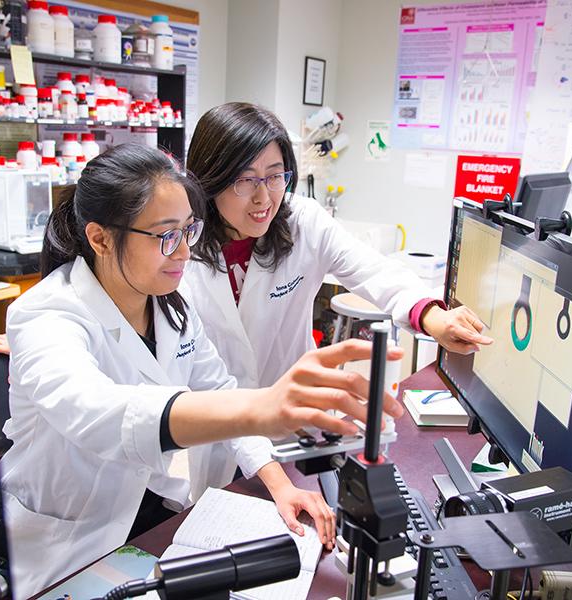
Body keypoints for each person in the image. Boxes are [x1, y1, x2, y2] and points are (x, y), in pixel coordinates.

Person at [0, 144, 403, 597]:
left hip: (150, 518)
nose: (186, 252)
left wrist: (278, 481)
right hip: (71, 543)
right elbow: (99, 415)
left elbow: (217, 387)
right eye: (166, 235)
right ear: (100, 238)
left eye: (190, 229)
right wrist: (262, 409)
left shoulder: (170, 307)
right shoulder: (45, 314)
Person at [181, 102, 493, 390]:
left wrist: (431, 315)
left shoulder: (304, 223)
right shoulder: (180, 245)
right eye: (245, 180)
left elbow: (374, 272)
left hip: (297, 418)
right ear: (210, 180)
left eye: (275, 176)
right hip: (218, 427)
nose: (263, 197)